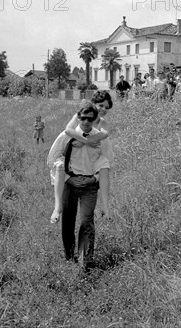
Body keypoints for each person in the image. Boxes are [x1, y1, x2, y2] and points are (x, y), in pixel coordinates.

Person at [48, 103, 110, 269]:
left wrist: (95, 178)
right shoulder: (67, 135)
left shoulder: (100, 138)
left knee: (86, 222)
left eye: (90, 118)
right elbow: (53, 158)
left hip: (89, 185)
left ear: (95, 119)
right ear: (78, 117)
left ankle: (85, 263)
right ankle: (69, 256)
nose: (86, 121)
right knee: (68, 221)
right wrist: (67, 177)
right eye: (83, 117)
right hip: (70, 182)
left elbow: (106, 161)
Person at [49, 91, 113, 225]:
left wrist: (87, 140)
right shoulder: (80, 116)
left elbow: (104, 134)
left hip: (91, 158)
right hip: (74, 156)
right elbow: (68, 130)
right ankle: (57, 207)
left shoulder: (102, 122)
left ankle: (106, 208)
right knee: (60, 167)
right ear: (93, 104)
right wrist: (84, 140)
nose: (103, 110)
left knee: (104, 167)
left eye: (107, 108)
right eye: (101, 105)